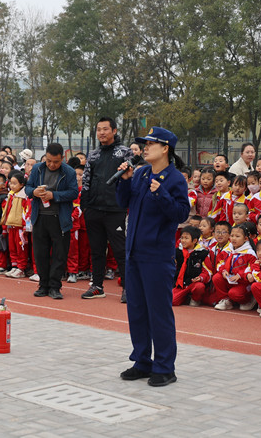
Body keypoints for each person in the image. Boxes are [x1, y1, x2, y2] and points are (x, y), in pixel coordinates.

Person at [115, 126, 190, 387]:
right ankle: (142, 361)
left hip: (157, 255)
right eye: (144, 144)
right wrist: (125, 180)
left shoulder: (175, 179)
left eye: (150, 144)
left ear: (165, 148)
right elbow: (123, 202)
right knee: (137, 310)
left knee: (159, 312)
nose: (145, 148)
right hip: (134, 252)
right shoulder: (140, 173)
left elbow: (180, 214)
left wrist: (160, 193)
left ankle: (165, 367)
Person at [80, 117, 131, 301]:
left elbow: (130, 178)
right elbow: (86, 180)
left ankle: (128, 288)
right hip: (93, 209)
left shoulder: (125, 152)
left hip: (115, 209)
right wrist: (85, 206)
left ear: (114, 131)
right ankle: (97, 286)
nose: (101, 133)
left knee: (120, 250)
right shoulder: (93, 155)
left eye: (105, 129)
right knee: (96, 250)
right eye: (99, 129)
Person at [25, 142, 78, 299]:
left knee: (59, 254)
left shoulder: (69, 172)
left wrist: (54, 195)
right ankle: (43, 285)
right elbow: (27, 188)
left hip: (59, 219)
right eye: (48, 161)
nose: (52, 164)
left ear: (62, 159)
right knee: (40, 254)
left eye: (56, 161)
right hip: (40, 217)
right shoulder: (37, 169)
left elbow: (73, 192)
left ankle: (55, 287)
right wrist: (34, 192)